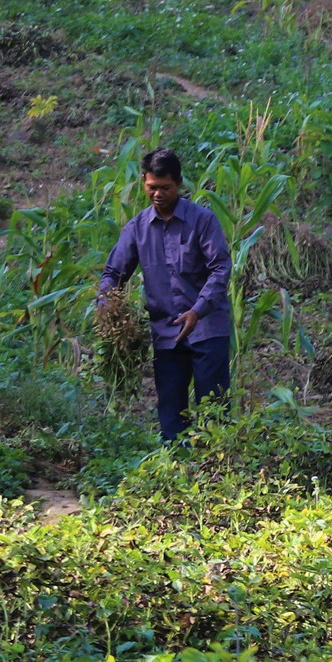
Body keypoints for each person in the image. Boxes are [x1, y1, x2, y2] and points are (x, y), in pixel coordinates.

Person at [98, 147, 232, 442]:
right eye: (151, 188)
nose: (158, 194)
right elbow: (113, 274)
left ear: (179, 184)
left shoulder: (203, 221)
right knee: (171, 414)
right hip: (166, 333)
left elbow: (220, 269)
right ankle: (175, 472)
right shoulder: (137, 229)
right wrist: (107, 305)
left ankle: (221, 474)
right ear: (144, 183)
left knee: (215, 412)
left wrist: (197, 311)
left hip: (207, 328)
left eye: (165, 188)